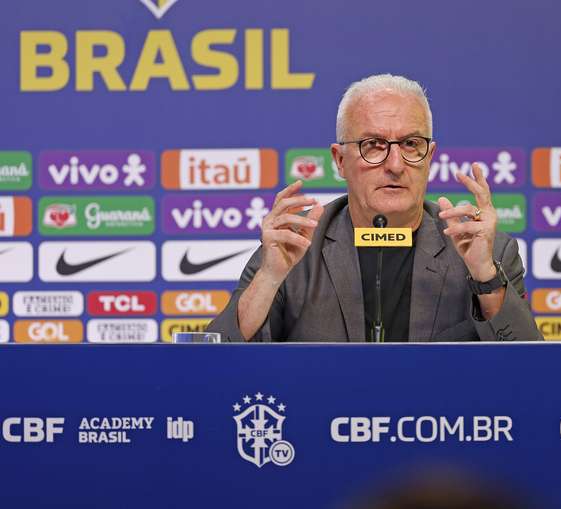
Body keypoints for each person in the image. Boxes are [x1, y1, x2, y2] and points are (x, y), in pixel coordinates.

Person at [206, 74, 542, 342]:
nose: (395, 164)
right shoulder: (295, 248)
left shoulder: (489, 252)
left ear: (430, 157)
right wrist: (269, 278)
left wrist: (485, 277)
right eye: (374, 145)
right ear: (339, 160)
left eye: (411, 144)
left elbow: (534, 376)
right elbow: (210, 366)